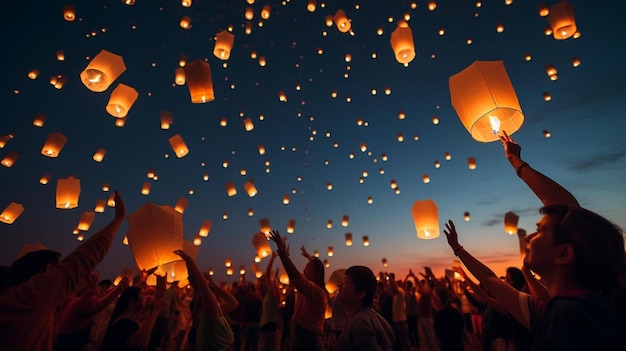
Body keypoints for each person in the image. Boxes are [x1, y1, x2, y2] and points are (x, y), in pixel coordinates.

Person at [441, 131, 625, 350]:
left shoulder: (573, 315)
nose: (529, 237)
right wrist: (458, 249)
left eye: (541, 231)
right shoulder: (558, 309)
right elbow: (492, 281)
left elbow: (570, 210)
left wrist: (517, 162)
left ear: (564, 254)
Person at [0, 191, 126, 351]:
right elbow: (84, 258)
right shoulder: (30, 300)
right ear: (48, 269)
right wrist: (119, 218)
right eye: (58, 267)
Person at [267, 230, 328, 351]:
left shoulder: (316, 292)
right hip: (301, 341)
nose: (304, 271)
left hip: (309, 343)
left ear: (318, 274)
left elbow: (295, 275)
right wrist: (308, 257)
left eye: (308, 268)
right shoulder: (305, 290)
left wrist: (282, 252)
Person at [174, 249, 239, 351]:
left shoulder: (214, 311)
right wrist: (189, 261)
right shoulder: (211, 312)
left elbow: (234, 303)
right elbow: (202, 286)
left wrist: (213, 285)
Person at [336, 265, 394, 351]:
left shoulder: (361, 323)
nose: (339, 285)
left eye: (346, 282)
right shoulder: (376, 318)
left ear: (360, 294)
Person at [100, 280, 165, 351]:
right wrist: (155, 310)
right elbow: (139, 341)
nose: (145, 298)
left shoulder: (136, 318)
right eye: (142, 294)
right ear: (131, 301)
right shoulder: (124, 322)